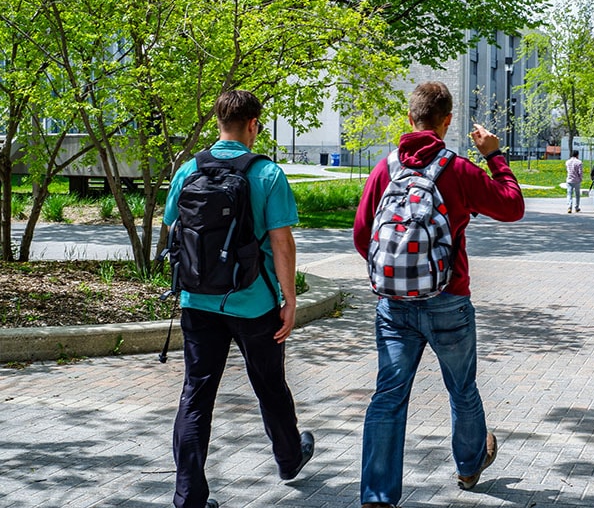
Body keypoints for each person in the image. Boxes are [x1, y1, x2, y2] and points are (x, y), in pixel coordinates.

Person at [353, 81, 525, 508]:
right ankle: (469, 467)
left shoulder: (385, 168)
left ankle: (377, 496)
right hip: (449, 298)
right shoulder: (458, 169)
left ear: (410, 118)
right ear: (448, 121)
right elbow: (512, 205)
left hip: (393, 305)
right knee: (461, 387)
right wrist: (493, 155)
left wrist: (395, 273)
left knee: (388, 395)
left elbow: (362, 236)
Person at [163, 90, 314, 508]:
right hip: (253, 303)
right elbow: (282, 243)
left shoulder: (189, 169)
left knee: (196, 394)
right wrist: (289, 299)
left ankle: (188, 497)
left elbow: (174, 225)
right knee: (269, 385)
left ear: (218, 123)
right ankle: (288, 457)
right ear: (253, 124)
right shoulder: (267, 174)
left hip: (197, 300)